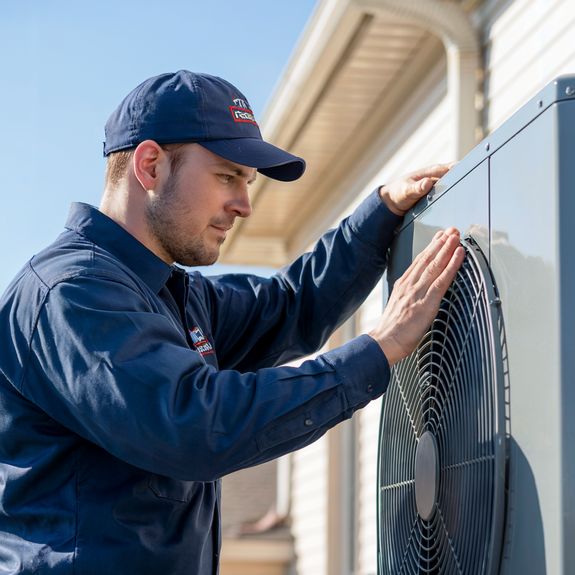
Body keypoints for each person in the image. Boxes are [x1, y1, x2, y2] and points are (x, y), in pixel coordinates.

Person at [0, 70, 464, 574]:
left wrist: (381, 213)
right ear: (150, 165)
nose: (243, 205)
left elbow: (292, 303)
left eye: (247, 182)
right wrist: (378, 347)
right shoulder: (73, 294)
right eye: (227, 176)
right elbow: (195, 426)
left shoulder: (174, 297)